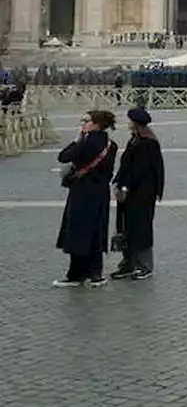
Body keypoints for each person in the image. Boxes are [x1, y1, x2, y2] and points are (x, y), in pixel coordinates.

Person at [54, 110, 120, 287]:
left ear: (96, 124)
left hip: (82, 192)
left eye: (86, 121)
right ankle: (96, 273)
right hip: (100, 193)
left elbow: (63, 157)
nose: (82, 124)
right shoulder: (110, 144)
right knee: (97, 231)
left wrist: (77, 139)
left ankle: (76, 274)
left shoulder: (85, 143)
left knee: (78, 232)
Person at [111, 108, 165, 281]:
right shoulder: (135, 140)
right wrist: (117, 182)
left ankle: (144, 265)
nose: (128, 124)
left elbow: (139, 170)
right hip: (130, 192)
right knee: (126, 227)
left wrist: (125, 188)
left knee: (140, 228)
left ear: (136, 123)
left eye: (130, 121)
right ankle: (128, 263)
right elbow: (125, 164)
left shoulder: (148, 143)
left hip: (142, 193)